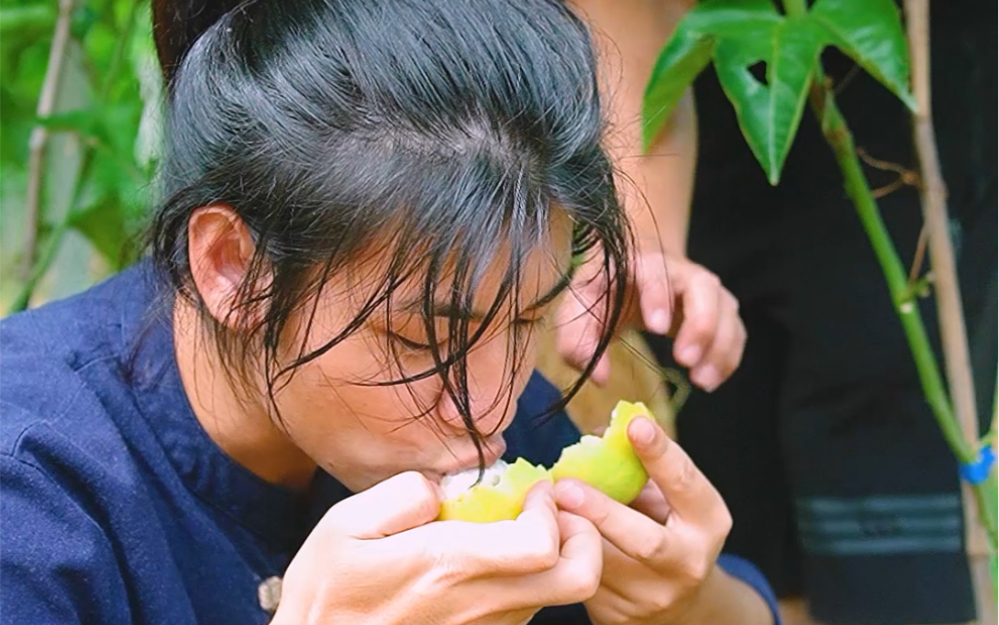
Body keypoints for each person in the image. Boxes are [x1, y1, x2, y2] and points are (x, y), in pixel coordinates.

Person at [0, 1, 781, 623]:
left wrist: (688, 603)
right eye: (416, 338)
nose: (489, 413)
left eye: (523, 323)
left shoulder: (499, 404)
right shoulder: (31, 487)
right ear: (231, 268)